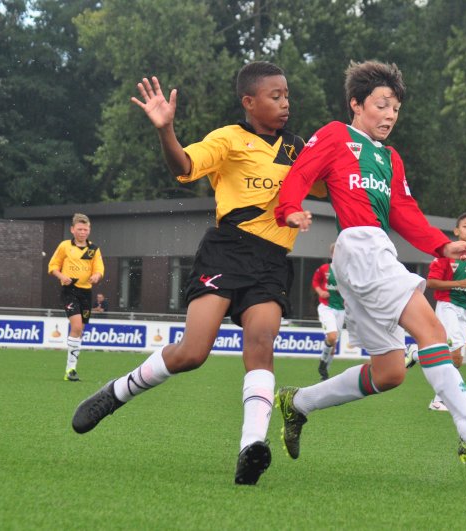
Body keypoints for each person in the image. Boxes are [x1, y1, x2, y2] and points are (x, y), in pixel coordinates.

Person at [71, 61, 323, 486]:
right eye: (275, 96)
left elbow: (329, 183)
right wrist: (164, 129)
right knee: (193, 352)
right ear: (249, 101)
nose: (285, 103)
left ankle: (251, 447)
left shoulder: (298, 148)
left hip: (271, 263)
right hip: (227, 251)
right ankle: (117, 392)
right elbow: (183, 167)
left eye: (287, 95)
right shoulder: (229, 138)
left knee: (261, 341)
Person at [273, 60, 466, 463]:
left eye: (396, 109)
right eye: (382, 105)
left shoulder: (390, 158)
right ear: (356, 103)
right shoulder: (336, 136)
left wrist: (442, 247)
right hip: (361, 248)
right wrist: (289, 210)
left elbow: (405, 212)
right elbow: (299, 176)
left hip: (368, 256)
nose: (390, 115)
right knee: (432, 330)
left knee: (389, 372)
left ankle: (298, 403)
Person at [425, 212, 466, 412]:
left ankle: (437, 398)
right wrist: (458, 283)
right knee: (453, 351)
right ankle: (440, 400)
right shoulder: (447, 253)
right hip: (447, 305)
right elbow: (431, 282)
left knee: (457, 359)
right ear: (456, 231)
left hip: (464, 308)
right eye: (465, 226)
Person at [48, 213, 104, 382]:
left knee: (80, 331)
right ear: (72, 230)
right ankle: (70, 369)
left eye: (85, 229)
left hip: (86, 293)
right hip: (69, 290)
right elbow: (52, 266)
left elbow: (99, 269)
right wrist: (61, 276)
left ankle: (72, 367)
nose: (82, 232)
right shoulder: (65, 246)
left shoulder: (94, 249)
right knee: (77, 326)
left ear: (89, 230)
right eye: (79, 229)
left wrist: (96, 276)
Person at [312, 243, 345, 380]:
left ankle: (325, 372)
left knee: (334, 342)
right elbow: (315, 281)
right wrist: (320, 291)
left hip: (341, 310)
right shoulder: (324, 269)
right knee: (332, 337)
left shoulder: (347, 272)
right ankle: (322, 364)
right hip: (326, 307)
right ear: (332, 255)